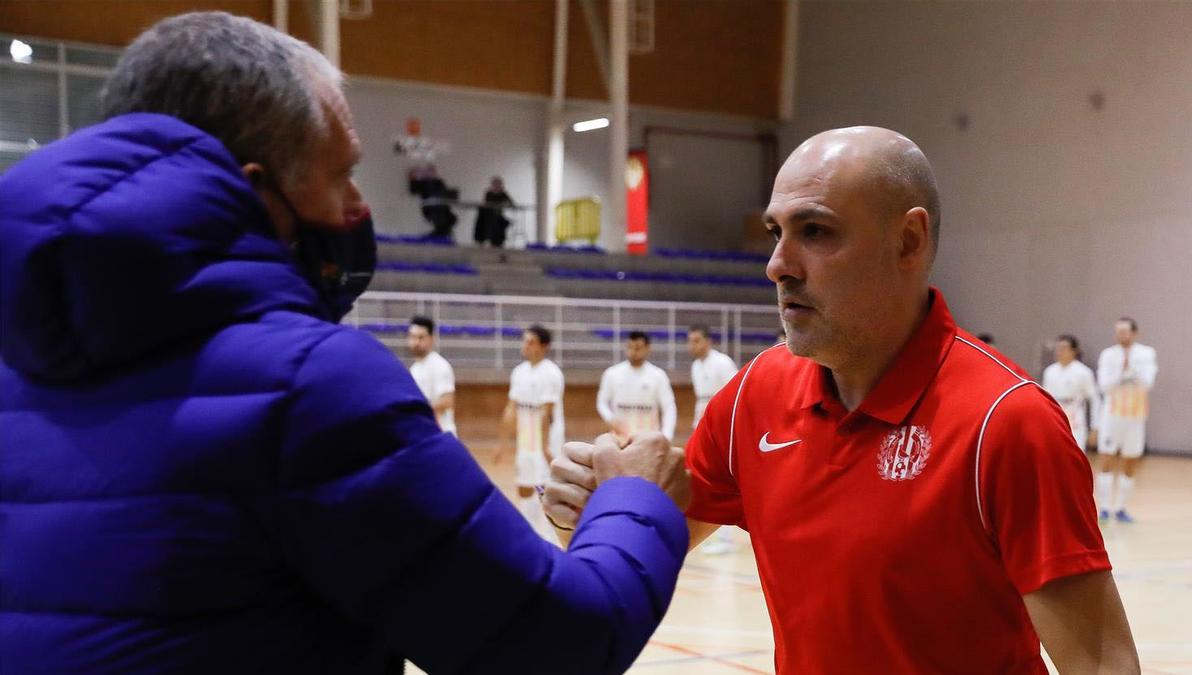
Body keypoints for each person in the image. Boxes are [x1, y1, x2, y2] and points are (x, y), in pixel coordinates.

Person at [0, 13, 694, 674]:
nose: (359, 207)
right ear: (253, 194)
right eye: (339, 174)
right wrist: (636, 499)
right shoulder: (308, 385)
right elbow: (555, 642)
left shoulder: (18, 366)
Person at [546, 126, 1139, 673]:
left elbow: (1102, 662)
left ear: (908, 241)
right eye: (778, 233)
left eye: (816, 231)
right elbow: (652, 540)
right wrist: (594, 507)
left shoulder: (1007, 422)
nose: (778, 265)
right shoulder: (755, 395)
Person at [496, 325, 567, 540]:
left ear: (544, 346)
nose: (525, 346)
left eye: (531, 342)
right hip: (525, 440)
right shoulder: (519, 372)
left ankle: (550, 538)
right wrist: (502, 443)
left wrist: (545, 447)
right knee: (525, 486)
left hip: (546, 442)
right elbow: (511, 409)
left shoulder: (551, 373)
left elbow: (547, 412)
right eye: (524, 341)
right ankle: (529, 534)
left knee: (545, 489)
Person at [1096, 317, 1158, 523]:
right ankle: (1104, 507)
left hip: (1135, 415)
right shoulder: (1108, 355)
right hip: (1112, 414)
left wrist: (1132, 371)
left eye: (1125, 331)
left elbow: (1147, 383)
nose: (1121, 335)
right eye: (1118, 332)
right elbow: (1104, 385)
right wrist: (1122, 375)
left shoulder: (1146, 353)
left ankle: (1121, 507)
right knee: (1106, 457)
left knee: (1130, 459)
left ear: (1134, 333)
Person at [686, 325, 739, 554]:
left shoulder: (723, 363)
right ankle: (710, 532)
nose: (692, 345)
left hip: (723, 429)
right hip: (703, 424)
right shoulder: (696, 366)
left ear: (708, 341)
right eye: (690, 341)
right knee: (702, 479)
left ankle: (726, 538)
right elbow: (702, 400)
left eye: (696, 340)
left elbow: (734, 394)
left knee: (724, 481)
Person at [597, 331, 677, 443]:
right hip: (620, 439)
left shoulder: (658, 375)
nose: (633, 352)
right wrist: (610, 419)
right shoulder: (612, 373)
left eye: (638, 348)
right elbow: (602, 402)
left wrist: (666, 436)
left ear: (648, 349)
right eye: (630, 347)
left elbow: (669, 407)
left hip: (649, 441)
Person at [1041, 334, 1100, 451]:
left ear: (1074, 351)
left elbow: (1094, 399)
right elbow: (1044, 400)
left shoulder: (1083, 372)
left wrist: (1095, 428)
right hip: (1054, 420)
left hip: (1076, 420)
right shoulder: (1050, 372)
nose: (1059, 352)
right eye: (1057, 348)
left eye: (1063, 348)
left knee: (1075, 455)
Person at [407, 315, 456, 436]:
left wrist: (417, 411)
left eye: (421, 337)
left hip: (440, 434)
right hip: (422, 434)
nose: (416, 342)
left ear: (431, 338)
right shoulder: (414, 369)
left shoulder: (439, 365)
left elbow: (447, 401)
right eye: (412, 337)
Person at [407, 163, 458, 239]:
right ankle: (442, 234)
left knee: (443, 226)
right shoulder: (427, 184)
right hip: (436, 210)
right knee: (443, 226)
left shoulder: (438, 184)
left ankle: (442, 234)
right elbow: (414, 189)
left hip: (440, 211)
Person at [473, 176, 515, 247]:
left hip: (497, 215)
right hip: (488, 215)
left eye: (497, 184)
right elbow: (485, 203)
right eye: (494, 184)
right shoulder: (489, 193)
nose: (496, 186)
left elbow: (511, 203)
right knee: (481, 216)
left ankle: (495, 241)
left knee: (496, 221)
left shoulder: (503, 194)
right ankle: (480, 239)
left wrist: (503, 204)